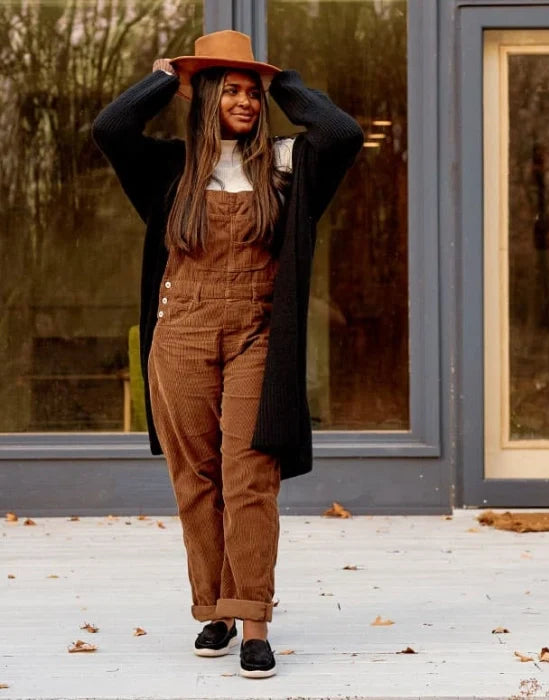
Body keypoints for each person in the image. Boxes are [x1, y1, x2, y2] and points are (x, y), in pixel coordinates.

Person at [92, 29, 363, 679]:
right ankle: (212, 606)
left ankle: (253, 622)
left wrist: (283, 84)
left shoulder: (288, 163)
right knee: (197, 481)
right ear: (206, 96)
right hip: (179, 333)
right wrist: (164, 78)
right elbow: (110, 128)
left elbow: (345, 134)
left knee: (250, 477)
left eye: (252, 91)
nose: (245, 101)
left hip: (256, 334)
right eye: (232, 90)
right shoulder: (170, 168)